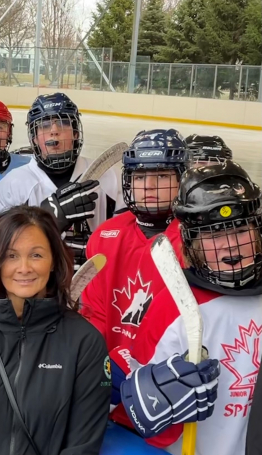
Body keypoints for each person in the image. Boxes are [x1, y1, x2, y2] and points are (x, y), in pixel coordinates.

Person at [0, 205, 111, 455]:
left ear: (53, 261)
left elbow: (82, 446)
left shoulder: (84, 342)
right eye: (11, 256)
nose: (24, 268)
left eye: (36, 255)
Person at [117, 160, 261, 455]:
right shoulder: (173, 307)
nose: (229, 245)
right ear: (192, 242)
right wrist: (157, 404)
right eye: (213, 234)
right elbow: (146, 421)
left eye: (239, 229)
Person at [80, 130, 188, 381]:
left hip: (168, 378)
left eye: (162, 175)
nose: (148, 185)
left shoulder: (194, 243)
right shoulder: (105, 236)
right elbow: (95, 315)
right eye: (139, 176)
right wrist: (93, 366)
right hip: (108, 375)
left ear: (182, 180)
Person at [0, 92, 124, 268]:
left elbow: (127, 235)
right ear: (34, 138)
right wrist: (48, 222)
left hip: (100, 278)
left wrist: (101, 245)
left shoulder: (110, 176)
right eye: (44, 125)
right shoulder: (11, 185)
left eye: (63, 122)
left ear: (75, 133)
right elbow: (4, 249)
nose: (54, 130)